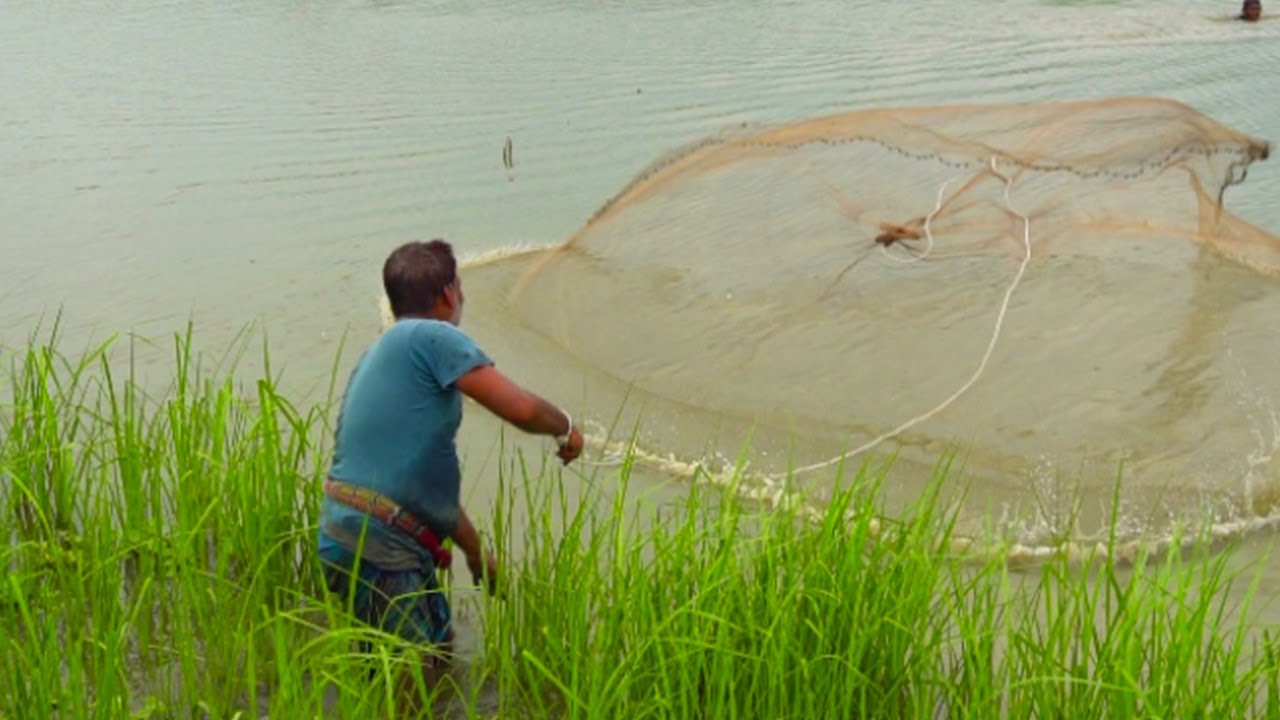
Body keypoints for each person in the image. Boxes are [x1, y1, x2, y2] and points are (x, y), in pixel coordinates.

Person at [316, 239, 584, 683]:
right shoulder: (434, 336)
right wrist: (566, 427)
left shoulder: (380, 356)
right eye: (460, 288)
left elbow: (417, 484)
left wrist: (476, 553)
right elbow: (520, 409)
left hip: (349, 530)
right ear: (447, 294)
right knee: (410, 678)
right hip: (383, 541)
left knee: (433, 658)